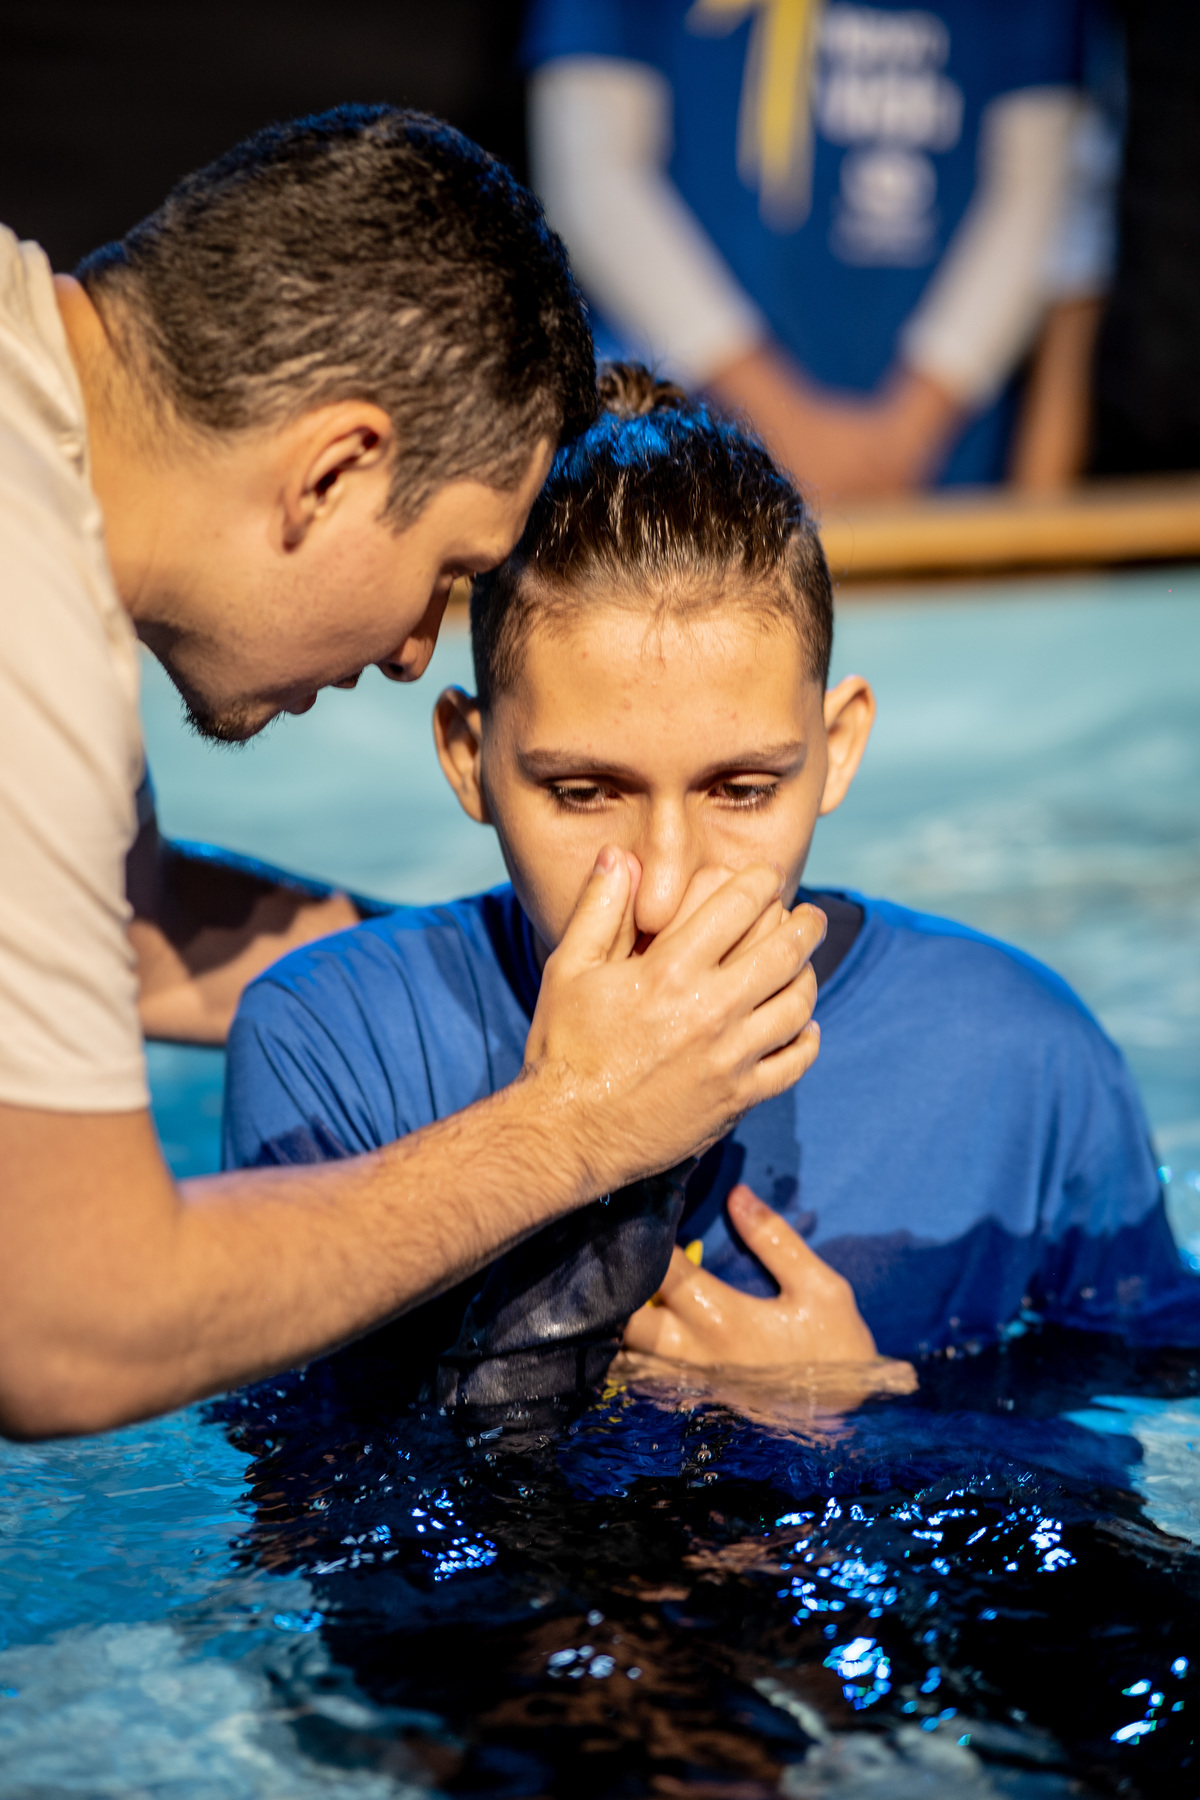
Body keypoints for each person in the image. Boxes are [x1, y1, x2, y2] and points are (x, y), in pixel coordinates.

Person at [0, 112, 825, 1440]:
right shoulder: (18, 604)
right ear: (334, 470)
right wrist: (573, 1121)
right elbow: (65, 1330)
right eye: (448, 575)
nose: (406, 652)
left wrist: (572, 981)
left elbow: (114, 925)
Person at [223, 365, 1200, 1404]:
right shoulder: (333, 1050)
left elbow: (1134, 1443)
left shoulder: (1023, 1061)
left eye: (740, 790)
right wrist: (570, 1139)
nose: (663, 892)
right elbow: (310, 1521)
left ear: (837, 750)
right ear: (470, 758)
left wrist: (865, 1408)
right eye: (586, 791)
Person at [525, 0, 1088, 498]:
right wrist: (782, 424)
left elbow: (1041, 188)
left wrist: (905, 436)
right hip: (678, 476)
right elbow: (592, 186)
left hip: (937, 472)